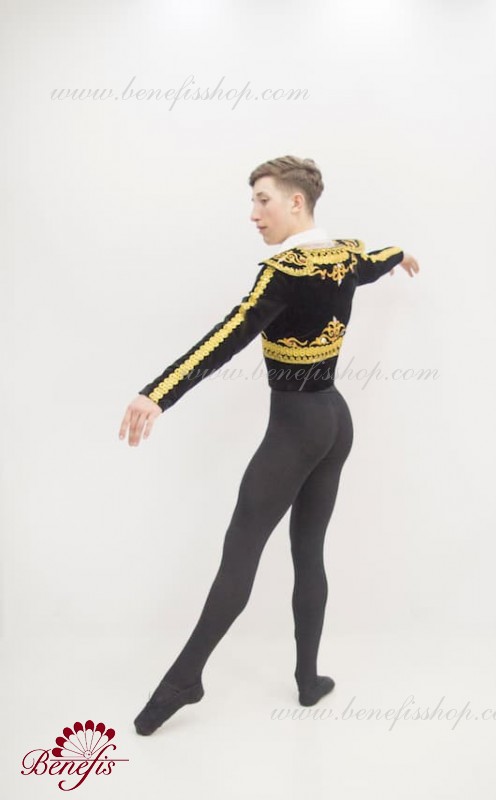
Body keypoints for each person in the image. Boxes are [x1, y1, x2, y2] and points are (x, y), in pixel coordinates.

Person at [118, 155, 420, 736]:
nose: (253, 214)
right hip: (334, 421)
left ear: (295, 202)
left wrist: (157, 394)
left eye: (263, 200)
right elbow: (374, 260)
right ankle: (308, 679)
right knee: (308, 551)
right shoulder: (344, 254)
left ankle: (184, 679)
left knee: (241, 552)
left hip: (296, 429)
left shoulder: (283, 272)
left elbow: (227, 336)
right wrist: (400, 253)